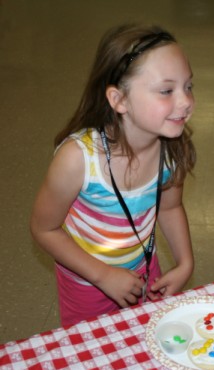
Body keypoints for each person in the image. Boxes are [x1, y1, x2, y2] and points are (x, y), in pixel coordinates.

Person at [30, 24, 196, 326]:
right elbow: (44, 229)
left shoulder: (172, 149)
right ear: (119, 100)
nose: (185, 102)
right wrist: (103, 275)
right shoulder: (78, 159)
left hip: (145, 268)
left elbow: (170, 208)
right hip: (87, 283)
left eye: (188, 86)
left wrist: (185, 263)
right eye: (166, 91)